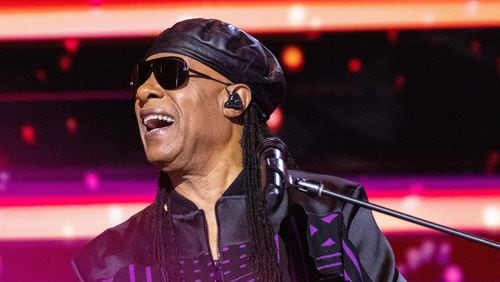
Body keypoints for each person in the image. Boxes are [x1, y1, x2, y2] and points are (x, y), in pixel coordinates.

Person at [72, 18, 405, 282]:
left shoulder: (328, 213)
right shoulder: (106, 262)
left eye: (169, 74)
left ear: (235, 100)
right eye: (140, 79)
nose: (145, 91)